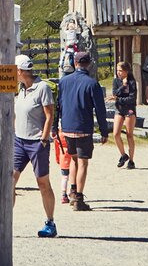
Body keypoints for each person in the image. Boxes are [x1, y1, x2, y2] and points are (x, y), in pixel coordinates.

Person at [9, 55, 57, 238]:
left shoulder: (42, 87)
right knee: (10, 181)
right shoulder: (20, 90)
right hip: (19, 141)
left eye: (14, 71)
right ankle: (6, 220)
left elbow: (49, 115)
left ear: (20, 72)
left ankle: (50, 222)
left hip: (37, 142)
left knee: (42, 183)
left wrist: (43, 140)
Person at [55, 52, 108, 212]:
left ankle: (72, 190)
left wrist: (54, 126)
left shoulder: (63, 81)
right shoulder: (92, 84)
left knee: (73, 159)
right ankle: (79, 197)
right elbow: (100, 109)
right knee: (83, 162)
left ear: (75, 63)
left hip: (67, 126)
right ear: (89, 64)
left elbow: (59, 105)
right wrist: (104, 130)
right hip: (83, 127)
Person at [112, 62, 138, 169]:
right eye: (117, 70)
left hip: (130, 110)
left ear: (126, 71)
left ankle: (131, 160)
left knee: (129, 135)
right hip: (119, 109)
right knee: (116, 134)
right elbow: (115, 93)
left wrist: (118, 99)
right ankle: (123, 155)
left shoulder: (132, 82)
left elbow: (132, 98)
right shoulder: (116, 81)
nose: (118, 72)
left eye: (121, 70)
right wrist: (122, 86)